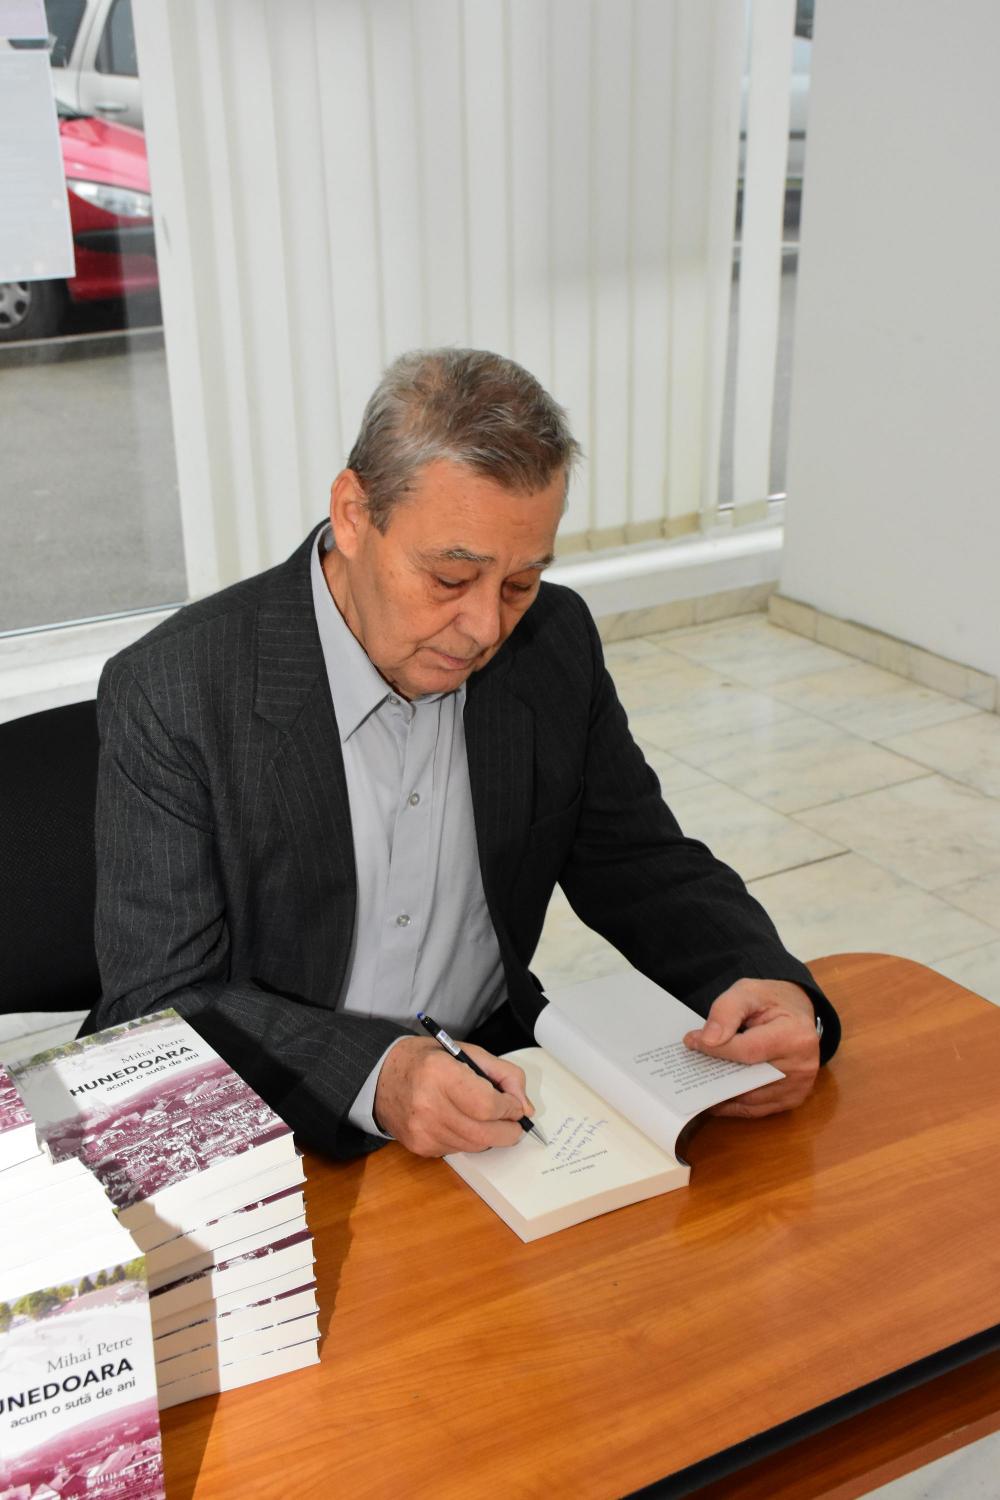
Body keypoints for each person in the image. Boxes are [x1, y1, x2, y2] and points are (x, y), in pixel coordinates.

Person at [82, 348, 840, 1160]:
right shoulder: (176, 691)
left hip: (495, 1081)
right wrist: (377, 1075)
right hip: (270, 1120)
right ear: (353, 514)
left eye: (519, 584)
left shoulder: (553, 642)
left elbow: (638, 860)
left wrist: (762, 979)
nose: (485, 628)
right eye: (450, 578)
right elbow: (159, 1002)